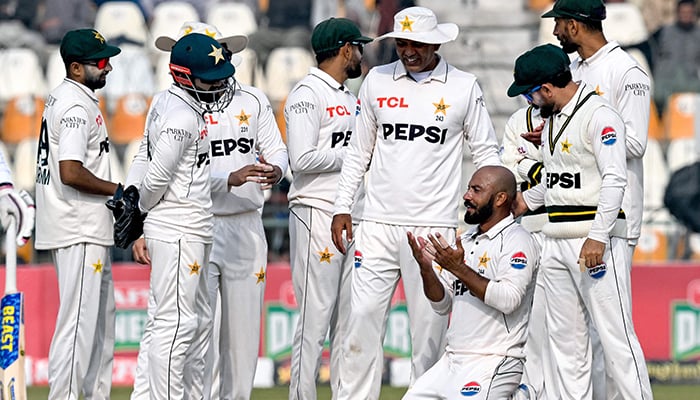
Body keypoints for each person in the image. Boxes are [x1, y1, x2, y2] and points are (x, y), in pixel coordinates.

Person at [330, 6, 501, 399]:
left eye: (416, 44)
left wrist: (487, 217)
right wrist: (343, 206)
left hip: (433, 229)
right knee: (359, 324)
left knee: (429, 337)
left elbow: (487, 155)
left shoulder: (463, 86)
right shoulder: (377, 80)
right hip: (376, 224)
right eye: (402, 42)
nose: (408, 51)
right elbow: (359, 152)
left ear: (436, 43)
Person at [508, 43, 652, 400]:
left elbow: (615, 178)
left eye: (529, 93)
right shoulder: (554, 119)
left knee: (616, 339)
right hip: (556, 240)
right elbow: (558, 179)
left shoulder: (600, 115)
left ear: (546, 88)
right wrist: (524, 200)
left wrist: (598, 237)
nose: (528, 102)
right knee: (566, 348)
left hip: (593, 241)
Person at [541, 1, 652, 397]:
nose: (554, 32)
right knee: (583, 339)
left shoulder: (626, 70)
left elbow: (636, 142)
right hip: (573, 215)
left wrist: (581, 133)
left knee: (614, 334)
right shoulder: (574, 71)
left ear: (573, 25)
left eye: (558, 24)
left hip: (614, 218)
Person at [124, 32, 235, 398]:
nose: (220, 85)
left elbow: (143, 156)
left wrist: (138, 214)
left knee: (169, 322)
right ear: (184, 75)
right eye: (211, 79)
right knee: (177, 325)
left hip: (186, 227)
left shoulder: (164, 102)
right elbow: (155, 176)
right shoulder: (182, 115)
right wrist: (138, 214)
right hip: (178, 228)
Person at [285, 17, 372, 400]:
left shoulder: (349, 96)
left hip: (351, 213)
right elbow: (300, 159)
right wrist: (355, 154)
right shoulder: (307, 94)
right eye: (358, 47)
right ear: (344, 49)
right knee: (315, 319)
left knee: (347, 322)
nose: (362, 55)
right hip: (315, 212)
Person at [34, 28, 121, 400]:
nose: (108, 68)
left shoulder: (73, 98)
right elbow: (70, 172)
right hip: (78, 225)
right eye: (100, 62)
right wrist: (118, 191)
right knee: (79, 325)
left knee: (101, 325)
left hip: (86, 225)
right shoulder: (73, 106)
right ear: (76, 67)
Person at [404, 165, 538, 400]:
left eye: (476, 190)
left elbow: (509, 300)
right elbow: (441, 305)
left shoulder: (518, 241)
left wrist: (458, 268)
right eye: (468, 189)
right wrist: (426, 269)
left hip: (495, 360)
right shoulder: (464, 239)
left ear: (500, 199)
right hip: (451, 360)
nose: (467, 196)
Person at [500, 104, 548, 399]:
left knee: (573, 332)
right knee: (529, 326)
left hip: (576, 228)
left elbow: (567, 171)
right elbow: (508, 171)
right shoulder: (519, 119)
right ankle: (528, 391)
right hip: (529, 229)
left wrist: (531, 165)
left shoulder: (584, 113)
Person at [652, 0, 700, 112]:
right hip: (667, 79)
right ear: (677, 13)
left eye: (689, 12)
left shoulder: (698, 34)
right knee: (658, 97)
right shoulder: (663, 32)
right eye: (683, 12)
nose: (686, 15)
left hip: (692, 79)